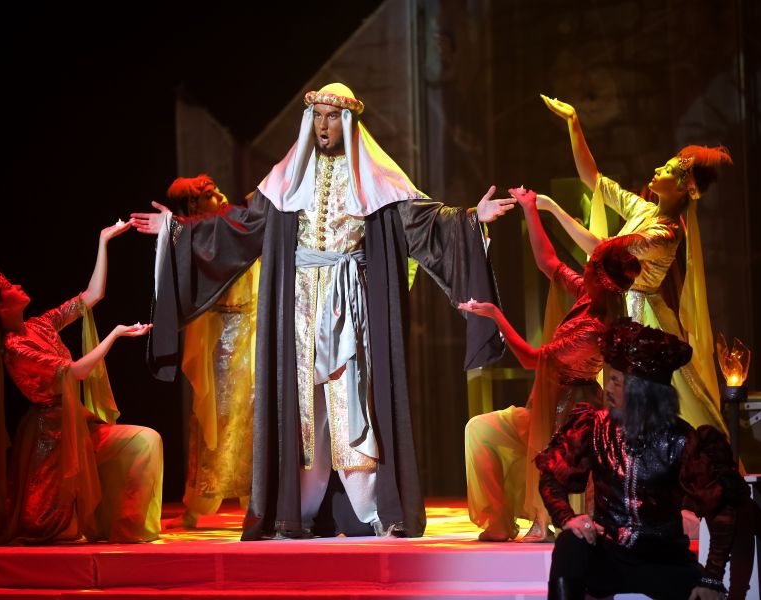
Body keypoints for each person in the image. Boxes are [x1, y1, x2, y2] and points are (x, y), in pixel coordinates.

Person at [132, 83, 513, 540]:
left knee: (353, 404)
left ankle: (373, 510)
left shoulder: (376, 179)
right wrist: (178, 230)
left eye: (332, 117)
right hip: (298, 311)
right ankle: (299, 511)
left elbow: (424, 223)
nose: (324, 125)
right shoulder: (288, 179)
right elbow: (239, 225)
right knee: (304, 410)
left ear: (348, 122)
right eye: (317, 117)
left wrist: (471, 219)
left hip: (351, 309)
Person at [0, 220, 163, 545]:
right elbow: (74, 372)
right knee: (45, 525)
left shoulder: (40, 325)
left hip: (78, 426)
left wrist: (103, 240)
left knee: (145, 440)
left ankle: (129, 529)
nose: (18, 286)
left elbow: (91, 296)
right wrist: (115, 335)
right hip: (53, 439)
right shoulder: (15, 348)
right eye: (9, 287)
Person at [539, 95, 733, 434]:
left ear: (683, 187)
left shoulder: (666, 234)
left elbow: (603, 250)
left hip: (641, 321)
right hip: (617, 308)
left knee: (646, 405)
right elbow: (594, 180)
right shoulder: (644, 210)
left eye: (667, 170)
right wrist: (574, 123)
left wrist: (555, 211)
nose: (657, 170)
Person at [460, 187, 640, 542]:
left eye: (590, 266)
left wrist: (496, 316)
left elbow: (532, 359)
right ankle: (499, 519)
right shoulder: (588, 294)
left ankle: (544, 520)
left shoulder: (594, 328)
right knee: (479, 430)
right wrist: (530, 209)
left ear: (600, 278)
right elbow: (550, 264)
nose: (583, 267)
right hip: (547, 406)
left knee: (505, 438)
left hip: (568, 417)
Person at [536, 319, 747, 599]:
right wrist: (567, 518)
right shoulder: (594, 427)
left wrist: (712, 578)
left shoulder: (682, 440)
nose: (608, 389)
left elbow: (722, 511)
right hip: (608, 557)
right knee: (569, 544)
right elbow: (551, 475)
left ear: (641, 391)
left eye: (616, 381)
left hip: (663, 561)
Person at [167, 174, 259, 526]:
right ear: (194, 205)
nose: (219, 194)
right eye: (208, 194)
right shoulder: (202, 238)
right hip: (223, 337)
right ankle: (200, 501)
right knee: (218, 415)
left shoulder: (236, 223)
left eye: (216, 189)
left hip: (252, 330)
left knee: (254, 414)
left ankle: (256, 499)